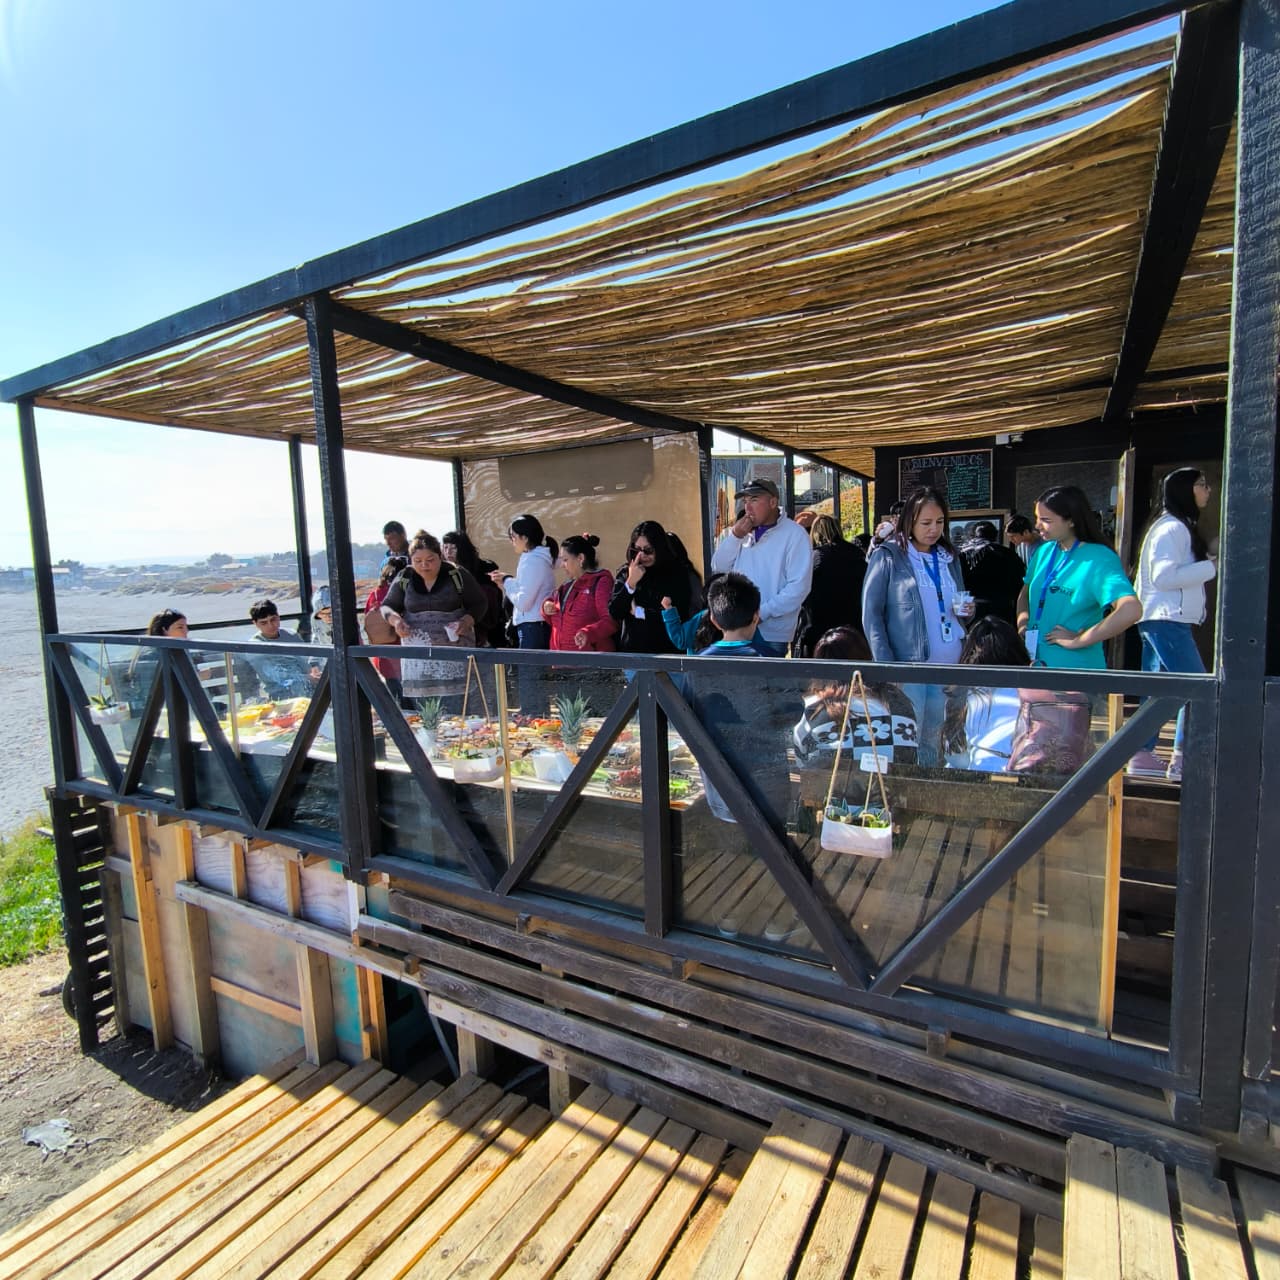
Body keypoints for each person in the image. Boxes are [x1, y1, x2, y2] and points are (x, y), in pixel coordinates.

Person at [861, 486, 974, 765]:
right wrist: (887, 666)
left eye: (939, 522)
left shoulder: (949, 557)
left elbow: (955, 607)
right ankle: (905, 790)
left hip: (950, 665)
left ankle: (930, 789)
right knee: (906, 739)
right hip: (908, 667)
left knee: (935, 741)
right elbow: (871, 615)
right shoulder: (888, 555)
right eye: (926, 523)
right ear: (909, 521)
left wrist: (967, 612)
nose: (934, 529)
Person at [1129, 468, 1217, 780]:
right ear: (1185, 490)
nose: (1208, 490)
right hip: (1168, 618)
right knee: (1196, 689)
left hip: (1159, 617)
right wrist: (1213, 566)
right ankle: (1182, 757)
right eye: (1202, 484)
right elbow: (1164, 577)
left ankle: (1143, 754)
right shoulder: (1173, 528)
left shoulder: (1170, 526)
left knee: (1161, 691)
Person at [690, 574, 790, 828]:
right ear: (756, 616)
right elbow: (791, 713)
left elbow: (688, 717)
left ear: (713, 619)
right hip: (770, 786)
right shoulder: (769, 660)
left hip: (719, 785)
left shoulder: (696, 665)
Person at [1015, 485, 1141, 671]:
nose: (1037, 526)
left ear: (1071, 521)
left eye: (1046, 520)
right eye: (1037, 518)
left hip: (1075, 670)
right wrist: (1023, 625)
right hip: (1035, 666)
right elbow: (1025, 594)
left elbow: (1131, 610)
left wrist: (1080, 640)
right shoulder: (1044, 552)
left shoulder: (1099, 558)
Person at [709, 477, 813, 656]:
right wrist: (735, 536)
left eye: (754, 500)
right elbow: (718, 566)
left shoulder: (795, 534)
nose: (747, 508)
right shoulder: (740, 533)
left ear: (773, 502)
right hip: (737, 628)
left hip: (772, 633)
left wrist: (761, 613)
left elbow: (799, 588)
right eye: (745, 501)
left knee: (767, 674)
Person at [793, 626, 918, 773]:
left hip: (834, 786)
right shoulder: (898, 699)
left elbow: (802, 759)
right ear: (866, 658)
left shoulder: (816, 709)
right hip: (898, 786)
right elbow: (912, 754)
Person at [382, 532, 489, 700]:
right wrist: (396, 621)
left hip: (454, 660)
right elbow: (387, 606)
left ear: (440, 557)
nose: (424, 565)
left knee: (458, 706)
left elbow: (479, 603)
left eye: (430, 560)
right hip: (419, 666)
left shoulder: (456, 574)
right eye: (418, 561)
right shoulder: (405, 577)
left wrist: (466, 621)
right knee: (425, 711)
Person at [943, 617, 1032, 772]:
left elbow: (956, 757)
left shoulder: (962, 693)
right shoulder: (1030, 692)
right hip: (1023, 772)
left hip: (979, 773)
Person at [489, 514, 557, 711]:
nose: (512, 541)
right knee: (533, 679)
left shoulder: (532, 560)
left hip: (532, 625)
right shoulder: (539, 558)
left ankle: (532, 716)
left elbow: (524, 602)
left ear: (524, 537)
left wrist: (507, 582)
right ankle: (536, 716)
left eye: (513, 537)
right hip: (536, 624)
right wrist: (509, 580)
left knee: (530, 680)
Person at [609, 521, 692, 654]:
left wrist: (640, 613)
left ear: (659, 548)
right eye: (637, 550)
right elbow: (615, 612)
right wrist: (630, 584)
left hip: (667, 652)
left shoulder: (676, 572)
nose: (642, 556)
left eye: (648, 550)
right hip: (633, 652)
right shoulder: (627, 572)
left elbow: (678, 614)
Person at [794, 515, 866, 657]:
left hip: (818, 630)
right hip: (853, 630)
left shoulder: (813, 558)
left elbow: (800, 593)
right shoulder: (857, 555)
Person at [544, 533, 618, 651]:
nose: (562, 565)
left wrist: (588, 633)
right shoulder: (566, 586)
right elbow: (555, 617)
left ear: (580, 558)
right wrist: (546, 607)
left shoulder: (601, 582)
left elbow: (611, 621)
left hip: (589, 659)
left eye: (565, 560)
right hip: (560, 659)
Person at [245, 598, 323, 700]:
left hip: (308, 688)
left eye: (273, 619)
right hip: (281, 693)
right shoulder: (256, 645)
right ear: (255, 623)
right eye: (264, 623)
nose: (270, 625)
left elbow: (305, 661)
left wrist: (314, 673)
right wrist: (307, 678)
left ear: (278, 617)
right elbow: (274, 676)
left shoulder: (291, 635)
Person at [443, 529, 505, 648]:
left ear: (462, 548)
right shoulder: (443, 572)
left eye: (453, 548)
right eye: (445, 547)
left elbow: (491, 601)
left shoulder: (483, 568)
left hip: (485, 629)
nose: (448, 552)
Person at [958, 521, 1025, 625]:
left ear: (972, 535)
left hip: (971, 610)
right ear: (995, 536)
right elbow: (1019, 584)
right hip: (1002, 610)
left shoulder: (962, 555)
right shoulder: (1008, 554)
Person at [364, 555, 407, 702]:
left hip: (383, 657)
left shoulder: (375, 595)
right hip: (407, 655)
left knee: (394, 701)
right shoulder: (406, 592)